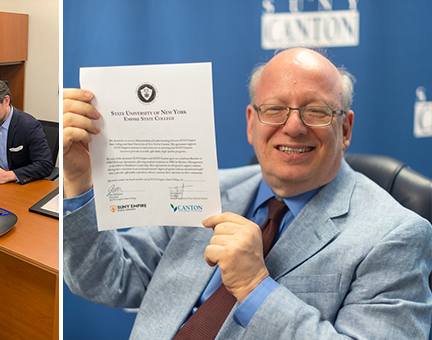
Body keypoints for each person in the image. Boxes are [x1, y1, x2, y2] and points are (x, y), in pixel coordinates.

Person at [62, 48, 432, 339]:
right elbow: (107, 279)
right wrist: (79, 183)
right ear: (251, 122)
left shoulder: (396, 236)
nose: (294, 127)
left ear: (346, 129)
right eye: (275, 110)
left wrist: (255, 287)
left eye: (316, 111)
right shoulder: (206, 190)